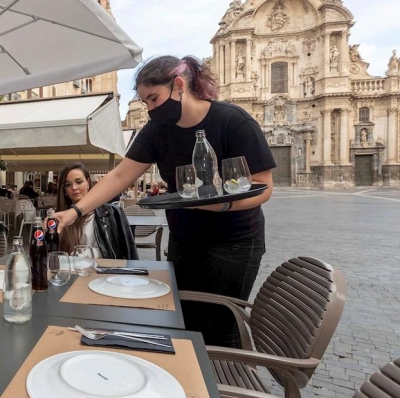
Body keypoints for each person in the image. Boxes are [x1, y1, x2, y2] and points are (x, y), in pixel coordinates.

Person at [53, 56, 275, 348]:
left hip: (233, 241)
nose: (150, 109)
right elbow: (120, 176)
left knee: (221, 323)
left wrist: (220, 205)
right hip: (185, 239)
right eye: (145, 102)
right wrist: (75, 211)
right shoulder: (158, 131)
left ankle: (227, 384)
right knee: (183, 315)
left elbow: (263, 187)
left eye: (154, 99)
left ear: (179, 86)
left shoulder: (233, 121)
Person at [56, 163, 138, 260]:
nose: (74, 187)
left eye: (79, 182)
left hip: (105, 271)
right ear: (64, 190)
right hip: (72, 272)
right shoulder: (60, 218)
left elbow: (126, 252)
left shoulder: (111, 213)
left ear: (88, 182)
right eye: (68, 184)